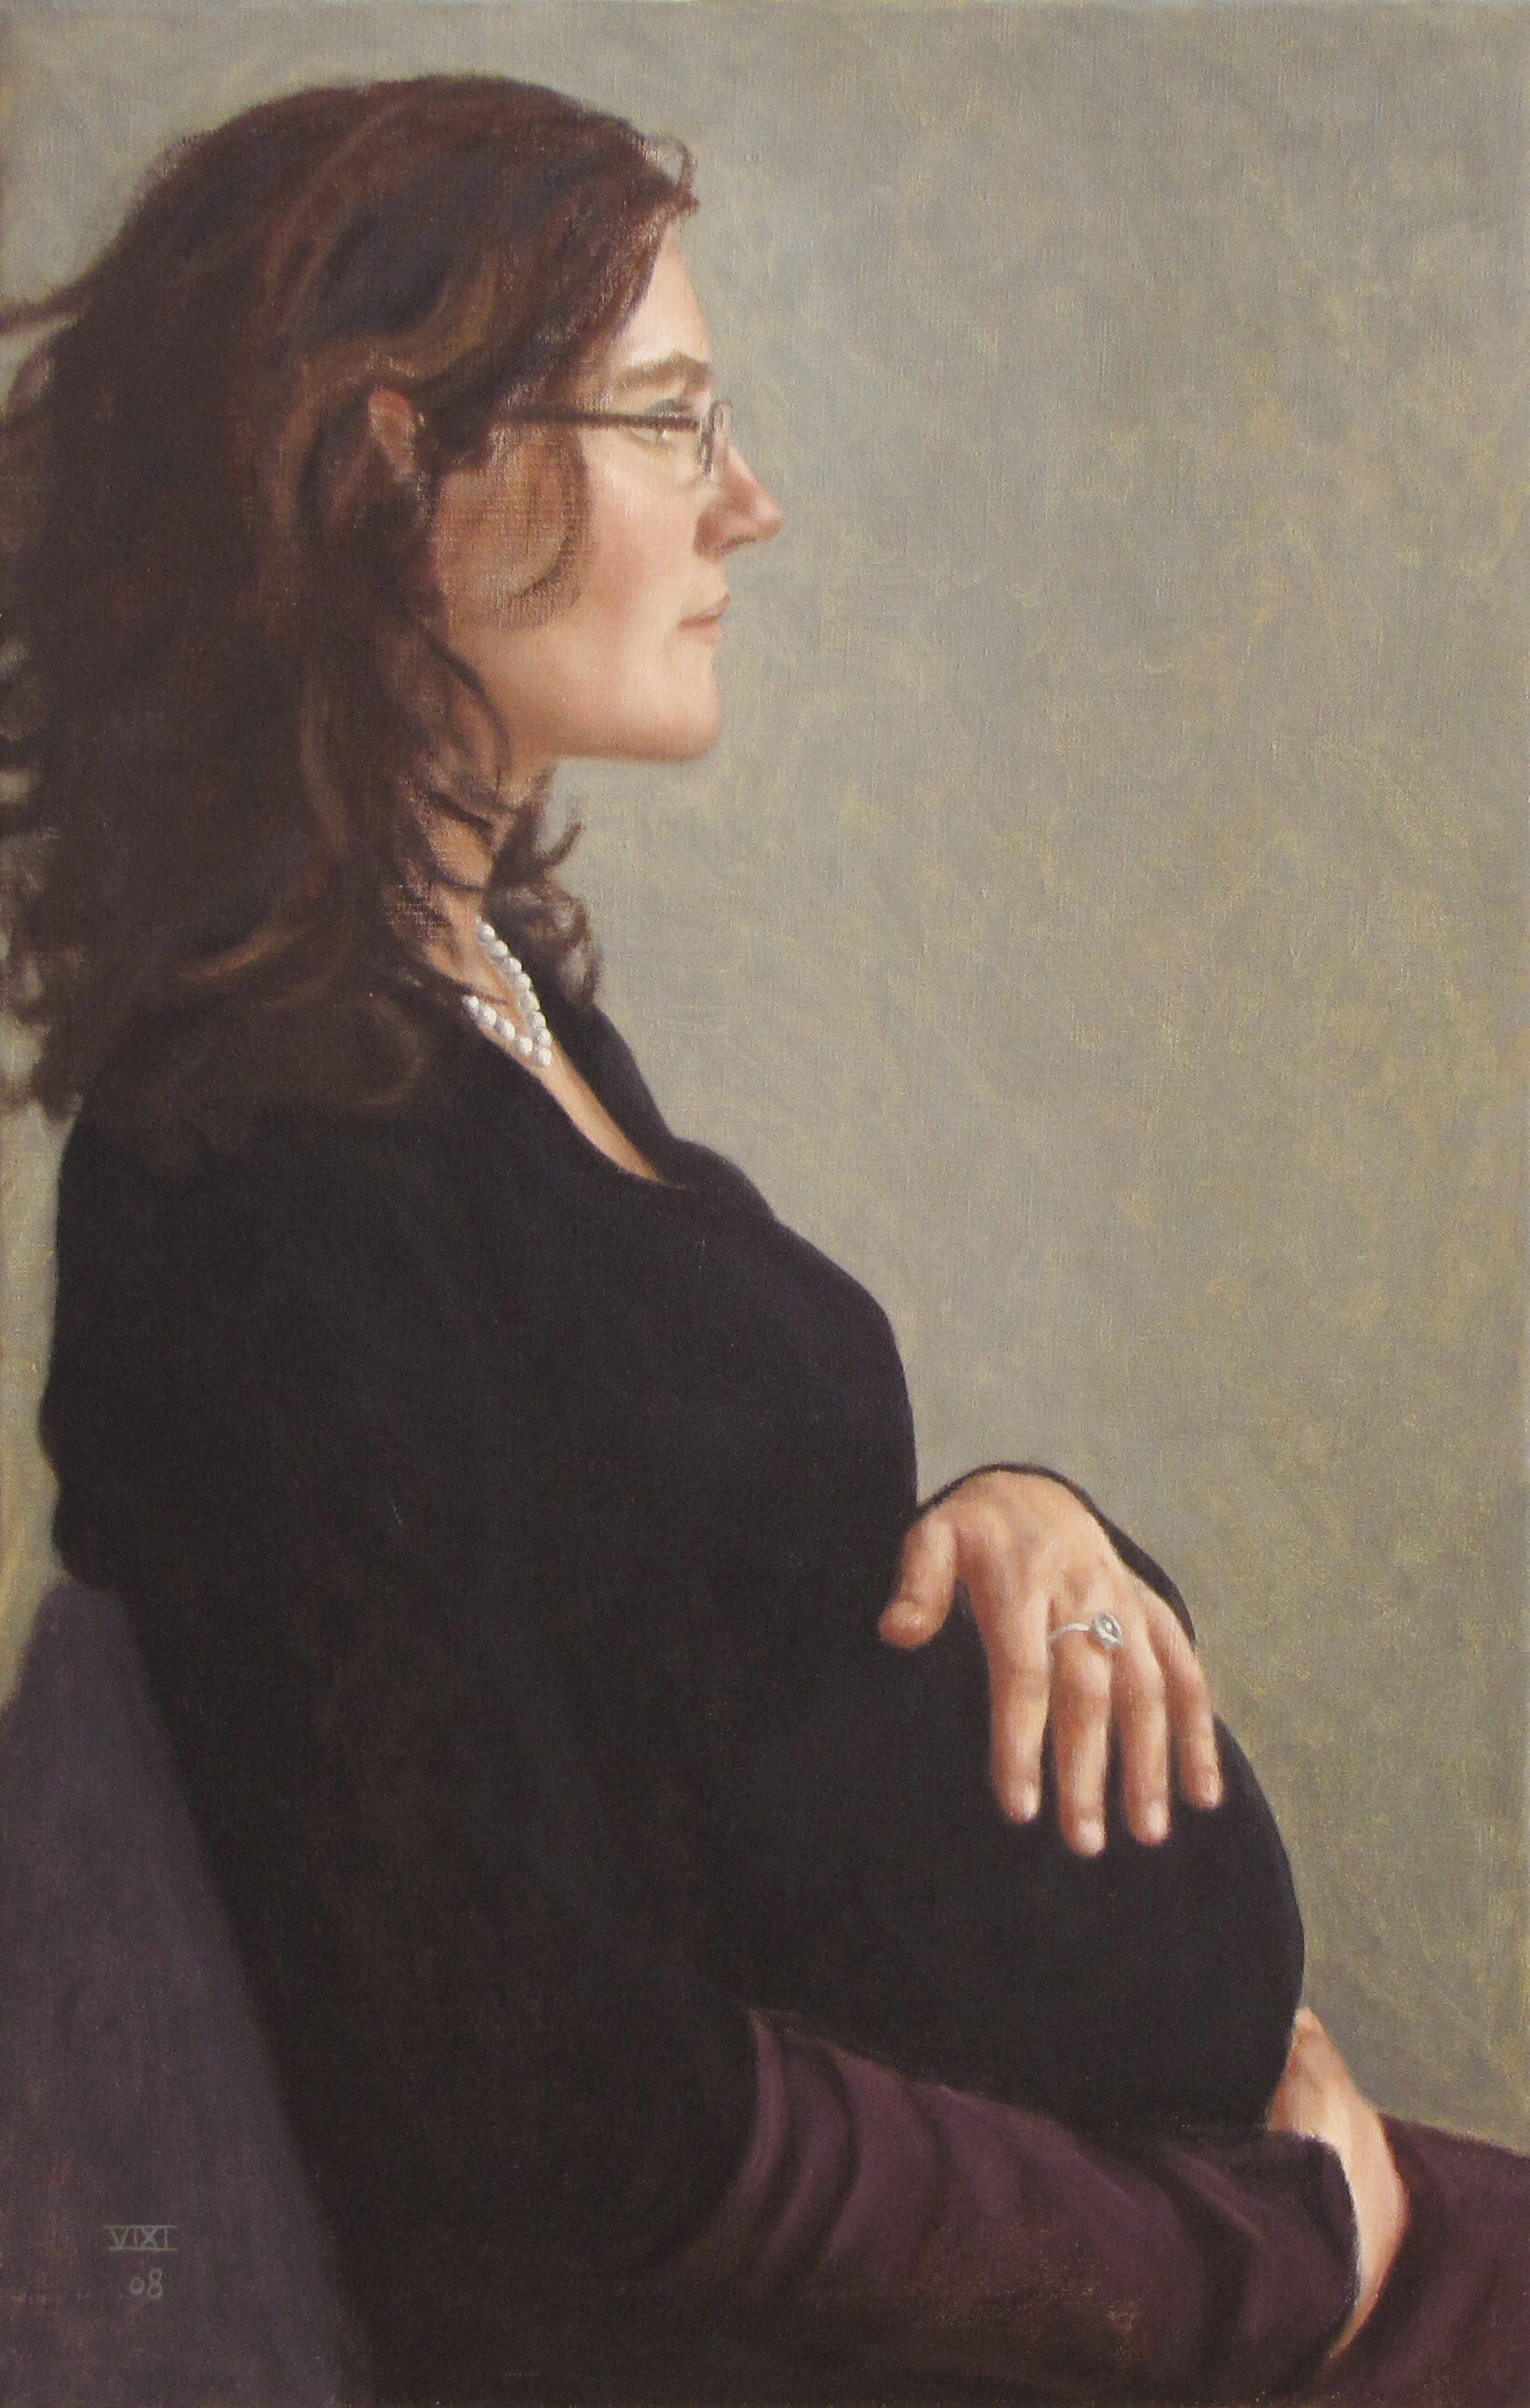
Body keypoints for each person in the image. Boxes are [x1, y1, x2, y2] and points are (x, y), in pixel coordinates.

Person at [0, 74, 1522, 2407]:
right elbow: (549, 2099)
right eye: (669, 418)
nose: (751, 501)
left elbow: (705, 1593)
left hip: (1092, 2216)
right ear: (397, 475)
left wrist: (1012, 1521)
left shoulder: (487, 1013)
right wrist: (1249, 2257)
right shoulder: (257, 1178)